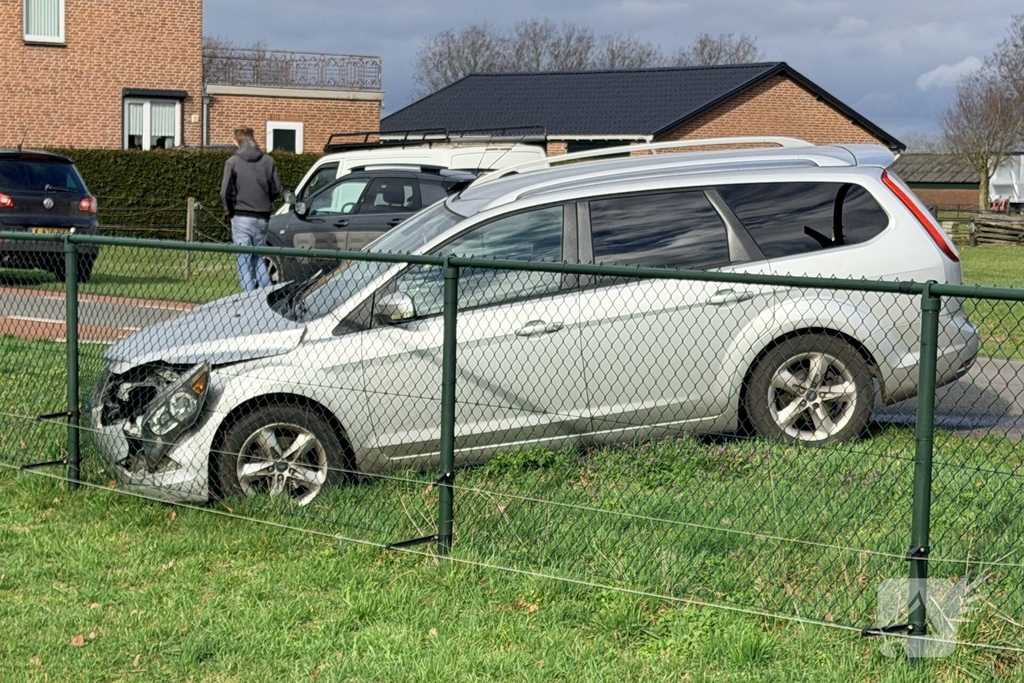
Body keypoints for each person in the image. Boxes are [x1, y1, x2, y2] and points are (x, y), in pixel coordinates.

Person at [220, 126, 282, 291]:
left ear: (236, 142)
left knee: (244, 261)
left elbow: (225, 192)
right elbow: (276, 189)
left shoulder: (232, 162)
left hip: (241, 216)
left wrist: (230, 214)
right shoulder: (268, 161)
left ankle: (248, 302)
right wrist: (264, 202)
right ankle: (267, 295)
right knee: (259, 258)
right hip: (262, 217)